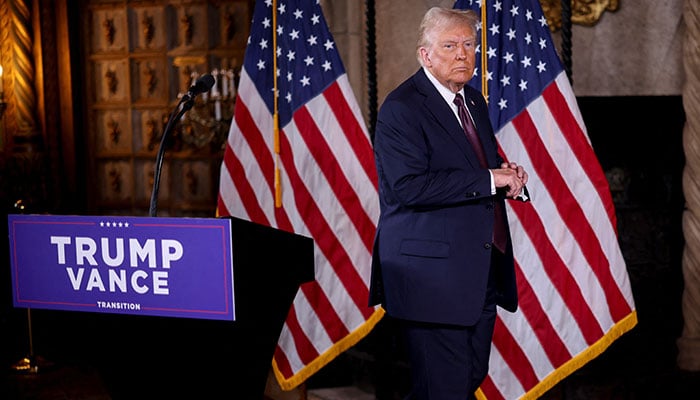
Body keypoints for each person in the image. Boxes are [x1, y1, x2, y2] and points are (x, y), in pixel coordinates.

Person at [369, 6, 529, 399]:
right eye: (450, 45)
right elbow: (408, 187)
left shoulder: (472, 100)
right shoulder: (402, 108)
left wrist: (508, 179)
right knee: (445, 390)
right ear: (425, 54)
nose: (463, 54)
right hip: (430, 279)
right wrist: (490, 178)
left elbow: (477, 168)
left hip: (477, 272)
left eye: (469, 45)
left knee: (465, 379)